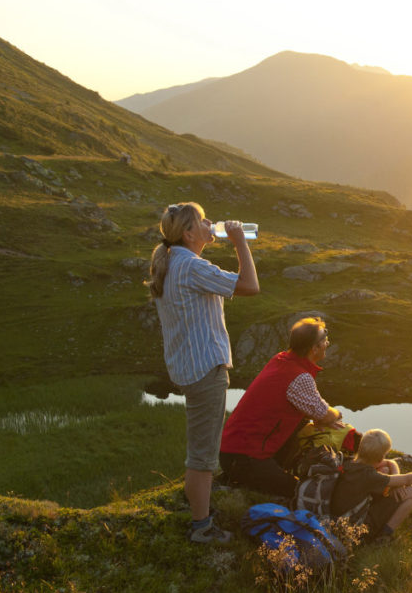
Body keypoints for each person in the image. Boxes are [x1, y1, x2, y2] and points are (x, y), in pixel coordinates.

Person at [146, 202, 259, 543]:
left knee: (202, 447)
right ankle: (202, 527)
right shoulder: (191, 265)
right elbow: (250, 285)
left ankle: (199, 510)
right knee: (203, 455)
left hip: (190, 367)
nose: (211, 224)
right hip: (204, 370)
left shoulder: (175, 262)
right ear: (188, 233)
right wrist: (240, 240)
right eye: (203, 220)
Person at [219, 317, 346, 497]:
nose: (327, 342)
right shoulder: (299, 377)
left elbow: (311, 410)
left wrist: (317, 418)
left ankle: (261, 472)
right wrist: (336, 413)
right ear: (314, 348)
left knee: (303, 422)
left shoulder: (281, 360)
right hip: (245, 459)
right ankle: (244, 480)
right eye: (324, 339)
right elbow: (326, 414)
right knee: (299, 491)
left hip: (233, 453)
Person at [330, 429, 412, 543]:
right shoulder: (369, 476)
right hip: (356, 530)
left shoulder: (349, 462)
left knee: (384, 469)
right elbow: (408, 479)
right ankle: (383, 537)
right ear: (380, 457)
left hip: (338, 519)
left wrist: (396, 484)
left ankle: (380, 532)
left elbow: (390, 462)